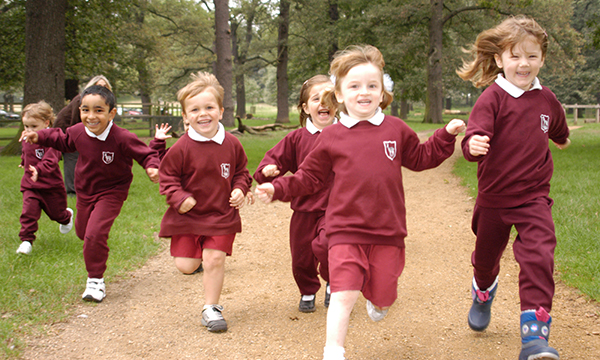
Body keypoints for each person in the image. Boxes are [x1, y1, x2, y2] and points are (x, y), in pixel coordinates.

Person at [255, 45, 465, 360]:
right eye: (354, 86)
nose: (363, 92)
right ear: (339, 94)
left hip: (387, 230)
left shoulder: (396, 129)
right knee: (342, 292)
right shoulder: (331, 137)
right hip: (344, 229)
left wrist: (445, 136)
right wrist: (278, 187)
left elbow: (421, 158)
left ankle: (378, 299)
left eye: (371, 86)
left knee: (384, 297)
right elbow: (309, 178)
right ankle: (333, 351)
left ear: (382, 93)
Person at [456, 15, 570, 360]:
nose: (524, 64)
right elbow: (475, 133)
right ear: (499, 59)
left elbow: (559, 132)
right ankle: (483, 290)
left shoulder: (546, 99)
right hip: (494, 198)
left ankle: (534, 337)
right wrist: (473, 144)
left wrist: (560, 140)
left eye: (532, 56)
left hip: (535, 197)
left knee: (539, 257)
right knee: (487, 259)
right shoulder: (492, 98)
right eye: (515, 56)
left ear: (542, 59)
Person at [20, 85, 160, 303]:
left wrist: (152, 167)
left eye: (98, 110)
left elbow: (146, 154)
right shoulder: (77, 132)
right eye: (85, 110)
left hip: (113, 191)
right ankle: (88, 240)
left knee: (94, 234)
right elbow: (60, 139)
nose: (91, 116)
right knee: (83, 233)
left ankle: (95, 281)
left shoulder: (122, 137)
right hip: (85, 191)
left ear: (111, 113)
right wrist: (38, 136)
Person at [158, 72, 252, 333]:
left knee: (214, 259)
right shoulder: (181, 149)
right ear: (186, 116)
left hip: (222, 215)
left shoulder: (232, 144)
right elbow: (167, 179)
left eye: (209, 107)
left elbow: (242, 172)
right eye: (195, 109)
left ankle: (211, 308)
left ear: (221, 111)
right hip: (188, 218)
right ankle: (197, 260)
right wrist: (179, 197)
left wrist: (240, 189)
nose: (203, 114)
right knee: (186, 266)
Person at [253, 75, 336, 313]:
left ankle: (335, 281)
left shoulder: (346, 135)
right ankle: (308, 290)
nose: (323, 103)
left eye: (329, 97)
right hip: (304, 209)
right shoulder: (297, 138)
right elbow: (267, 166)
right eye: (316, 98)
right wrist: (268, 172)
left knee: (329, 244)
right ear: (304, 107)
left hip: (336, 207)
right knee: (302, 256)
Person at [16, 101, 74, 255]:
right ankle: (26, 241)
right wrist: (23, 162)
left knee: (56, 214)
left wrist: (39, 170)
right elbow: (27, 152)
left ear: (46, 123)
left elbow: (50, 161)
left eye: (33, 127)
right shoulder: (27, 137)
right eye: (26, 126)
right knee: (29, 212)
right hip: (31, 185)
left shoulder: (53, 140)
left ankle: (66, 217)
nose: (29, 130)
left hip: (51, 186)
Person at [54, 75, 113, 197]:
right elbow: (75, 122)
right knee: (72, 157)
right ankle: (71, 191)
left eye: (104, 86)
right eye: (98, 85)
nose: (101, 88)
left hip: (84, 131)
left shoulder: (106, 103)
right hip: (66, 131)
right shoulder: (81, 100)